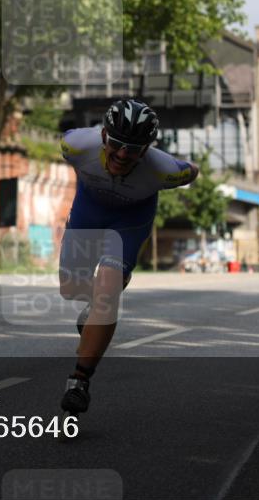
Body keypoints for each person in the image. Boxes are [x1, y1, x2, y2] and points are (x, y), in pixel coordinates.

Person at [58, 99, 198, 415]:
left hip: (129, 224)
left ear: (147, 149)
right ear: (104, 136)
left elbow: (193, 170)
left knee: (107, 292)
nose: (123, 154)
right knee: (70, 289)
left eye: (134, 149)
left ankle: (79, 381)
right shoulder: (77, 145)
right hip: (87, 216)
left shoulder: (163, 170)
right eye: (118, 144)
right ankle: (93, 305)